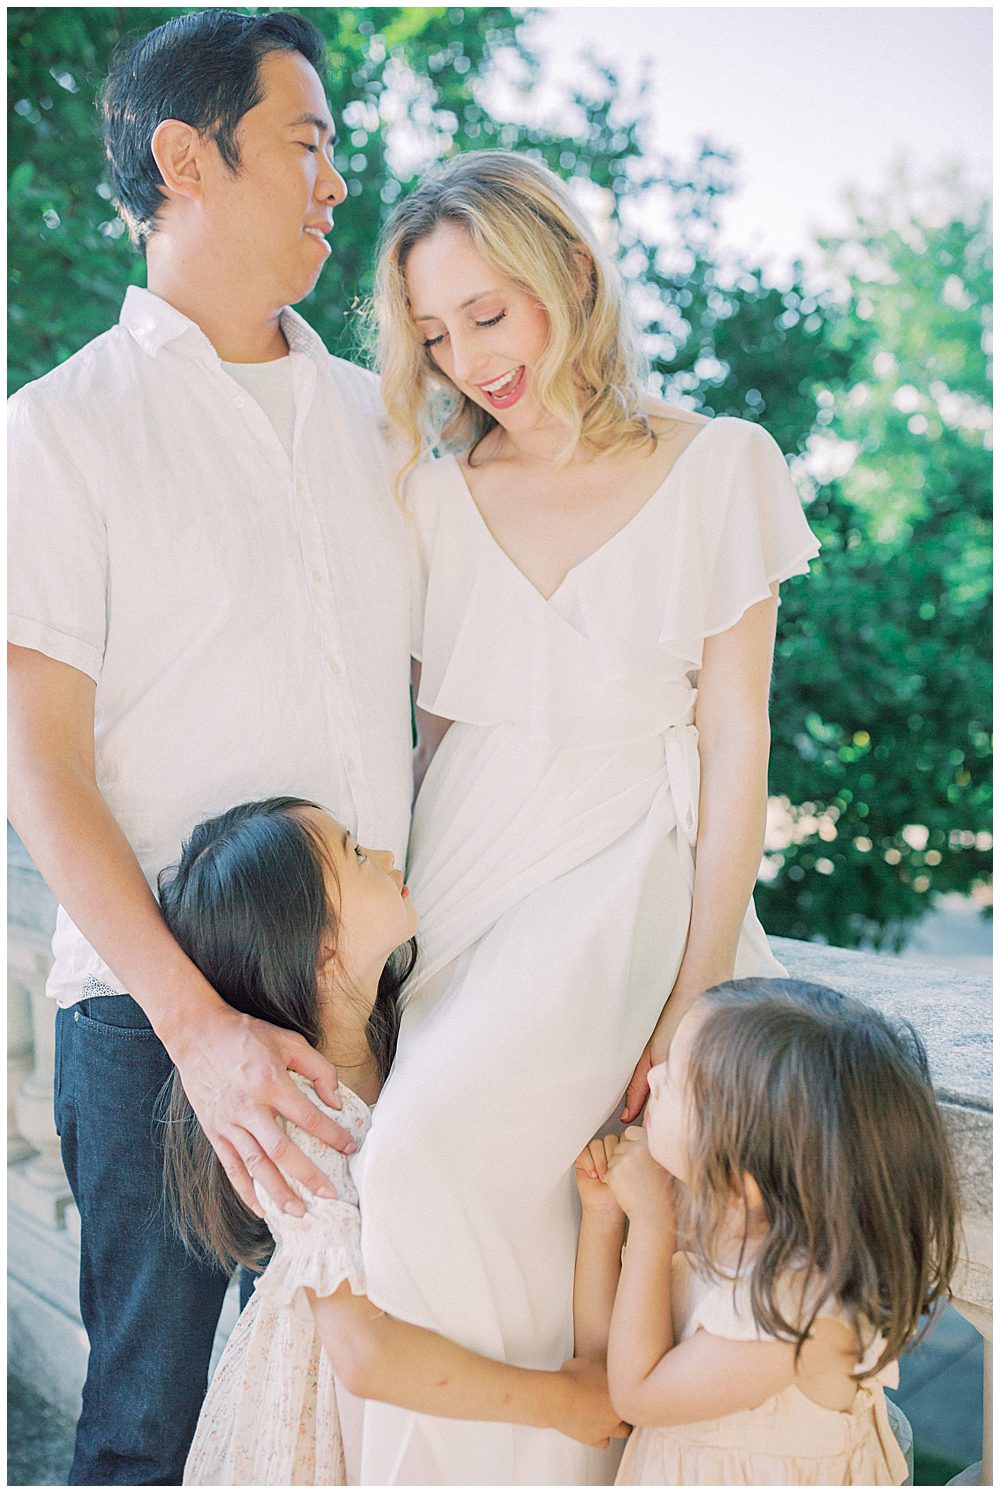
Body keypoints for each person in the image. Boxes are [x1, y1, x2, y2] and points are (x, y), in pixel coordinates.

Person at [352, 149, 823, 1483]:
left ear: (571, 268)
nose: (467, 360)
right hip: (466, 875)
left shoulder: (723, 465)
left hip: (626, 875)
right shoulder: (434, 495)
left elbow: (738, 741)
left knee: (463, 1161)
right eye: (436, 336)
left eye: (487, 313)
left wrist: (695, 993)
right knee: (445, 1190)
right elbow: (432, 735)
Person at [7, 12, 413, 1483]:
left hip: (382, 1007)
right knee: (150, 1441)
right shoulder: (55, 433)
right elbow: (37, 766)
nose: (335, 182)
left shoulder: (392, 425)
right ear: (188, 156)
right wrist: (204, 1034)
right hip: (153, 1027)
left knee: (353, 1432)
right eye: (306, 143)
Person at [152, 796, 626, 1484]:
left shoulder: (402, 1033)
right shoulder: (298, 1120)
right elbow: (364, 1353)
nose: (387, 858)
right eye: (354, 854)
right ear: (321, 948)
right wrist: (563, 1400)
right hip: (341, 1419)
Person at [573, 976, 959, 1485]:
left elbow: (636, 1397)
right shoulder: (710, 1212)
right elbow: (606, 1364)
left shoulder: (795, 1306)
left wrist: (648, 1223)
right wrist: (603, 1219)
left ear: (744, 1169)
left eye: (681, 1079)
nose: (657, 1076)